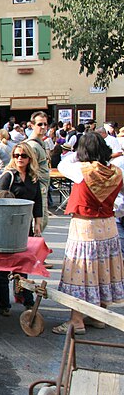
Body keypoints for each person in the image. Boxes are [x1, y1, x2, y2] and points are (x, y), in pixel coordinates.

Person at [53, 132, 124, 334]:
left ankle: (76, 320)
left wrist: (78, 154)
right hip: (108, 225)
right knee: (104, 268)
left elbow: (62, 164)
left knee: (81, 270)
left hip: (85, 226)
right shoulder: (117, 172)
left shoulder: (79, 170)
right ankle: (98, 315)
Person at [0, 143, 44, 314]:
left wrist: (38, 223)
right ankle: (3, 304)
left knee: (23, 265)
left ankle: (26, 299)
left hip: (25, 226)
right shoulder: (8, 176)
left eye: (23, 156)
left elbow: (38, 201)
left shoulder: (33, 178)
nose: (19, 159)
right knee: (3, 267)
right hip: (6, 226)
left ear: (30, 158)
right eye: (16, 155)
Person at [26, 111, 51, 231]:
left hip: (42, 186)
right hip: (37, 187)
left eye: (45, 124)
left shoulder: (41, 143)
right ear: (32, 125)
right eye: (40, 124)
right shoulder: (32, 145)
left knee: (42, 221)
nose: (43, 127)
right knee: (39, 223)